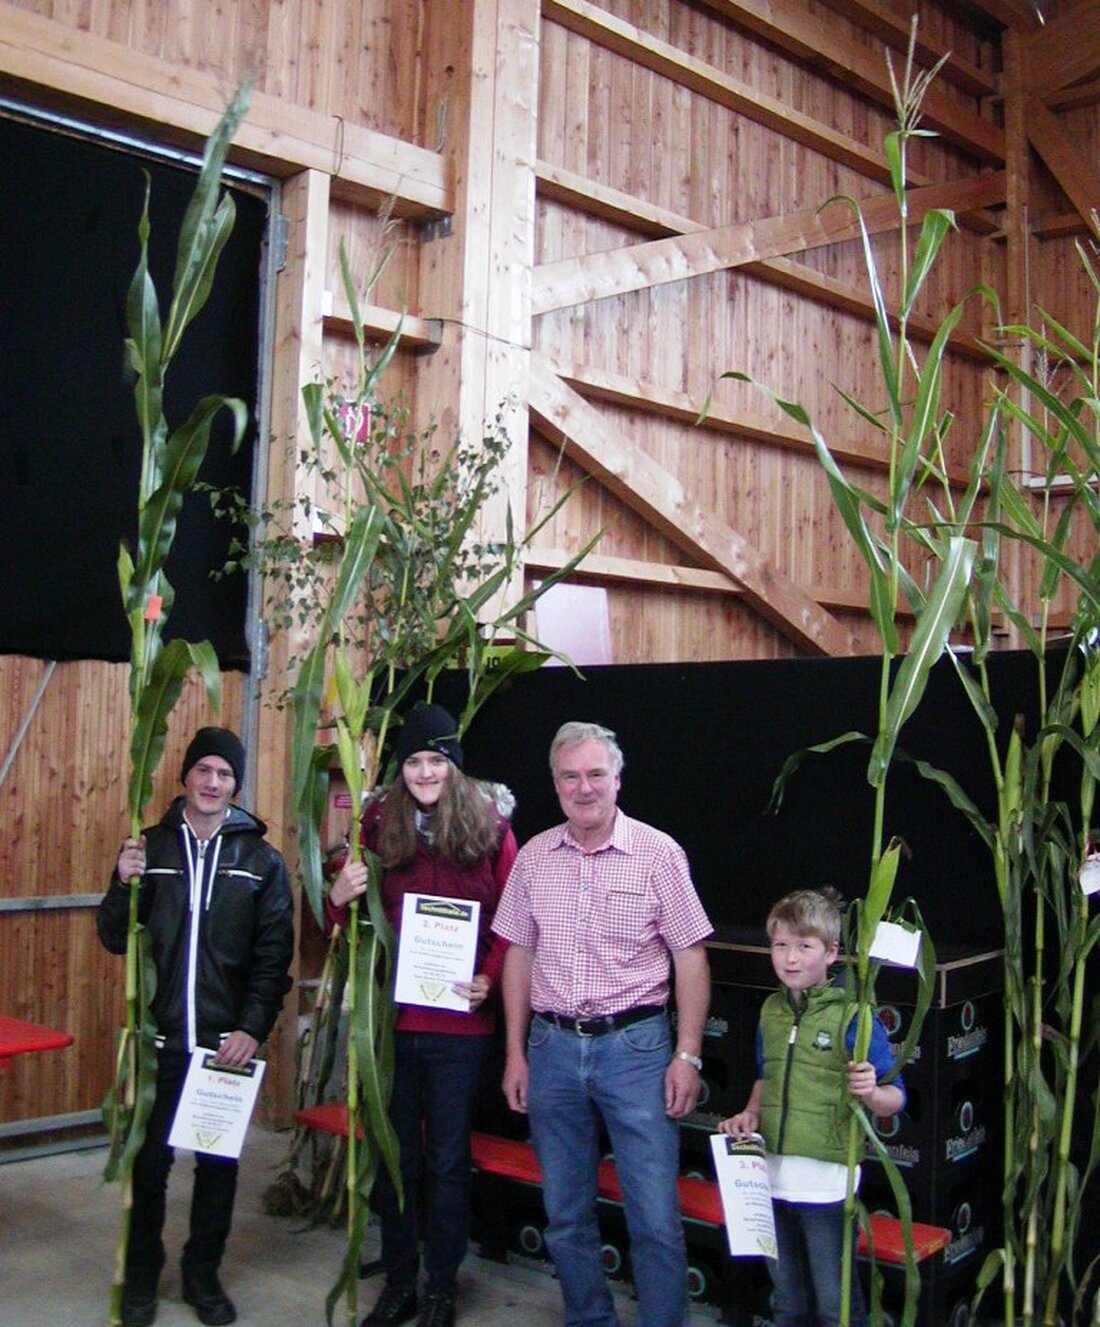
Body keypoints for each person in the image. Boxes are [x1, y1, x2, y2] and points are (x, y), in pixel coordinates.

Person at [493, 720, 712, 1327]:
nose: (583, 788)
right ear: (555, 783)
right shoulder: (534, 857)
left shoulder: (659, 854)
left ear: (617, 779)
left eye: (595, 774)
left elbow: (689, 954)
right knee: (564, 1214)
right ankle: (589, 1318)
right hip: (553, 1051)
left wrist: (687, 1054)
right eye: (570, 777)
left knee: (655, 1220)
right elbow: (519, 954)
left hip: (637, 1051)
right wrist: (516, 1053)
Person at [326, 702, 517, 1327]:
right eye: (414, 761)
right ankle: (401, 1278)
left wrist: (488, 975)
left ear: (454, 766)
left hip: (460, 1027)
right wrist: (336, 898)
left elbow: (515, 920)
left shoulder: (491, 825)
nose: (426, 772)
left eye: (437, 760)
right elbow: (341, 921)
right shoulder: (377, 822)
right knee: (394, 1155)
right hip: (390, 1024)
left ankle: (441, 1284)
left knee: (445, 1160)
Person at [98, 727, 295, 1327]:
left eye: (225, 775)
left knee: (217, 1169)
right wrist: (120, 881)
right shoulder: (149, 849)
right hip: (159, 1043)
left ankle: (202, 1275)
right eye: (203, 770)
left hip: (223, 1049)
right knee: (149, 1163)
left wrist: (252, 1029)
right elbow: (113, 936)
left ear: (236, 787)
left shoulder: (261, 862)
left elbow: (273, 958)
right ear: (185, 777)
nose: (213, 783)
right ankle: (140, 1276)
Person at [717, 887, 906, 1327]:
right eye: (780, 945)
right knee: (788, 1304)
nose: (790, 958)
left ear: (832, 952)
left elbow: (896, 1097)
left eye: (804, 946)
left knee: (835, 1307)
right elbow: (767, 1076)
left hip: (826, 1189)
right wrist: (749, 1115)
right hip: (771, 1181)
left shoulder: (854, 1016)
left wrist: (871, 1092)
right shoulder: (771, 1010)